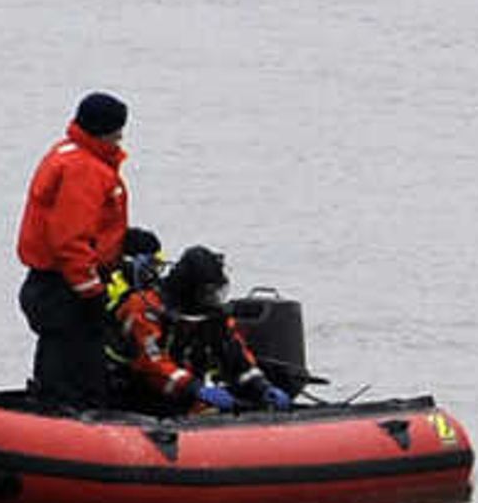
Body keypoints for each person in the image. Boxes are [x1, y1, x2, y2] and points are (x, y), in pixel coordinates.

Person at [16, 91, 132, 409]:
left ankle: (56, 408)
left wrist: (124, 241)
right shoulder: (86, 169)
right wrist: (92, 290)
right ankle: (67, 414)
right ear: (104, 130)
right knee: (75, 361)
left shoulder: (69, 154)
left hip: (53, 283)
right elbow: (70, 239)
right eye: (117, 130)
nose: (121, 138)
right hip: (65, 287)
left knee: (62, 355)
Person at [98, 226, 235, 414]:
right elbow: (150, 359)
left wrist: (258, 384)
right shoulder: (143, 305)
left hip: (176, 385)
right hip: (130, 386)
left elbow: (231, 348)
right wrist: (194, 388)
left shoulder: (207, 315)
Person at [158, 246, 293, 408]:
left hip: (191, 395)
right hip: (153, 398)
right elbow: (151, 364)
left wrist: (261, 386)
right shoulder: (155, 312)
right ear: (190, 290)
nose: (213, 298)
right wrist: (195, 388)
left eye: (215, 292)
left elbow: (237, 357)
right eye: (207, 293)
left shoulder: (215, 319)